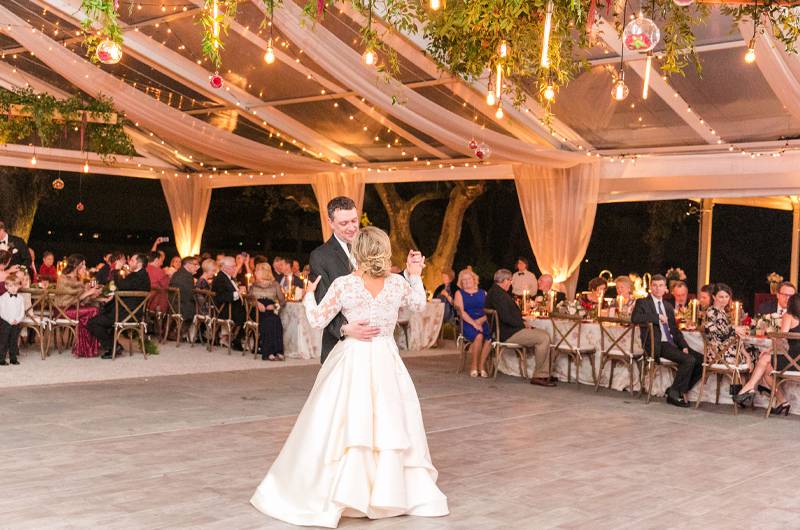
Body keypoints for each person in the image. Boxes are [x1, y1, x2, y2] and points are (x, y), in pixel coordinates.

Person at [250, 226, 448, 527]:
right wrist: (415, 274)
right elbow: (419, 305)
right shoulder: (397, 284)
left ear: (358, 252)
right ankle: (388, 493)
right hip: (385, 359)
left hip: (354, 356)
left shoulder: (344, 285)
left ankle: (348, 492)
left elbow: (317, 319)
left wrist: (309, 297)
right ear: (383, 251)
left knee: (345, 421)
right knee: (388, 421)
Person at [308, 196, 377, 364]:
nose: (352, 227)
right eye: (344, 223)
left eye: (354, 221)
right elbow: (322, 301)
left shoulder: (371, 247)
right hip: (339, 345)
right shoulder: (320, 256)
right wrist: (345, 329)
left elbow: (385, 283)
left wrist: (409, 274)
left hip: (374, 345)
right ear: (331, 223)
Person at [631, 274, 703, 408]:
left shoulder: (668, 306)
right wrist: (657, 317)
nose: (657, 288)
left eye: (660, 285)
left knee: (701, 360)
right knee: (689, 360)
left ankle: (675, 389)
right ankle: (675, 395)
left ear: (665, 289)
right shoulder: (643, 302)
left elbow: (675, 330)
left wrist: (683, 345)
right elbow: (635, 318)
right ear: (651, 287)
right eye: (654, 285)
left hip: (672, 343)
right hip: (657, 344)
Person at [485, 269, 554, 387]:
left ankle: (545, 372)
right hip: (508, 333)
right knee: (544, 337)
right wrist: (523, 324)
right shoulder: (498, 295)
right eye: (510, 280)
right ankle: (540, 375)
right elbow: (506, 317)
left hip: (508, 330)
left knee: (542, 334)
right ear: (504, 280)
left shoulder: (496, 292)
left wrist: (522, 322)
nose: (510, 283)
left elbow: (507, 316)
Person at [735, 294, 800, 415]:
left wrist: (769, 350)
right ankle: (783, 402)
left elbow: (781, 338)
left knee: (764, 359)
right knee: (767, 368)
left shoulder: (788, 315)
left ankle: (748, 388)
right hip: (796, 361)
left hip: (793, 360)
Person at [87, 253, 151, 359]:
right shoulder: (140, 275)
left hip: (128, 314)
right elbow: (122, 287)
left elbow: (120, 286)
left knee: (92, 323)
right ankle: (114, 346)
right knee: (102, 314)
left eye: (132, 261)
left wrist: (115, 270)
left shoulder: (138, 276)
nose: (129, 261)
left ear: (139, 264)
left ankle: (113, 346)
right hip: (128, 311)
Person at [54, 254, 102, 357]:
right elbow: (71, 300)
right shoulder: (63, 279)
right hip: (62, 310)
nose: (85, 267)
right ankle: (86, 348)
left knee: (92, 311)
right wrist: (88, 292)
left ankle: (86, 348)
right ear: (77, 265)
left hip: (73, 309)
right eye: (83, 264)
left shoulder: (78, 280)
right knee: (93, 310)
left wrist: (90, 291)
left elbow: (82, 301)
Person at [703, 283, 759, 369]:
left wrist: (738, 329)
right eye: (721, 297)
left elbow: (729, 334)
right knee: (755, 355)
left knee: (756, 351)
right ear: (714, 297)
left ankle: (745, 381)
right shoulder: (711, 312)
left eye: (727, 296)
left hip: (727, 348)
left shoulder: (723, 312)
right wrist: (735, 328)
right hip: (718, 354)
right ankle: (744, 381)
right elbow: (722, 334)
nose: (724, 300)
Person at [454, 268, 492, 377]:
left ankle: (482, 365)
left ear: (474, 280)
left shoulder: (483, 293)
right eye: (463, 280)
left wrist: (481, 320)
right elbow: (461, 312)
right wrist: (474, 323)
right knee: (479, 336)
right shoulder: (459, 293)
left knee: (490, 337)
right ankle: (474, 365)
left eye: (468, 279)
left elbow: (490, 310)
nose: (466, 282)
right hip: (467, 322)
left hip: (483, 320)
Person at [248, 262, 285, 361]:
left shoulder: (275, 284)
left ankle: (278, 351)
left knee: (275, 320)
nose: (255, 272)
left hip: (269, 309)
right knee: (269, 321)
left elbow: (282, 301)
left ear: (263, 272)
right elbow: (249, 299)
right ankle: (268, 352)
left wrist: (274, 305)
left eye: (257, 270)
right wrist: (257, 303)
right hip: (256, 311)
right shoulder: (254, 284)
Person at [212, 255, 246, 351]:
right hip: (224, 309)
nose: (235, 268)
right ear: (225, 267)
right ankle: (237, 340)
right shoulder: (220, 278)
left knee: (249, 311)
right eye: (233, 266)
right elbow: (221, 296)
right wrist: (238, 293)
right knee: (249, 314)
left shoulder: (226, 277)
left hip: (230, 307)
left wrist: (238, 291)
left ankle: (234, 338)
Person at [169, 256, 200, 330]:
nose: (197, 267)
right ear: (188, 265)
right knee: (202, 308)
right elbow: (189, 296)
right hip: (182, 307)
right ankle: (190, 335)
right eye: (195, 264)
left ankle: (178, 331)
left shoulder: (178, 273)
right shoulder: (188, 276)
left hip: (172, 305)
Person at [0, 272, 24, 365]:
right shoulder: (2, 298)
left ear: (19, 286)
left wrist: (17, 320)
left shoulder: (20, 298)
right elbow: (2, 312)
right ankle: (1, 358)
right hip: (6, 322)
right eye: (11, 286)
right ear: (6, 286)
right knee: (4, 341)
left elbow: (22, 311)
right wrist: (10, 320)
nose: (13, 288)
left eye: (15, 286)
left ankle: (13, 358)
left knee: (14, 341)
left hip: (16, 322)